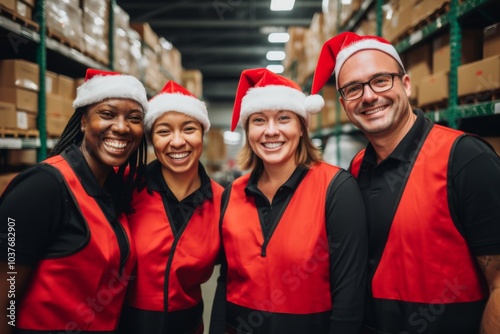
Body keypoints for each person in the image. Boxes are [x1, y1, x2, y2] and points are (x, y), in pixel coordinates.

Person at [311, 31, 500, 334]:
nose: (369, 96)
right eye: (353, 89)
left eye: (381, 80)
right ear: (345, 103)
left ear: (406, 84)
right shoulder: (357, 169)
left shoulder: (464, 159)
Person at [209, 68, 368, 334]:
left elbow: (349, 295)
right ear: (248, 131)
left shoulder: (337, 189)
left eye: (283, 118)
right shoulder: (232, 194)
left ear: (301, 127)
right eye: (259, 120)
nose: (271, 131)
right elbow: (225, 280)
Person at [0, 68, 149, 333]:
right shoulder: (44, 186)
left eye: (134, 118)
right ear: (82, 121)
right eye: (107, 114)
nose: (122, 127)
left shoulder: (113, 190)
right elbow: (5, 297)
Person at [118, 81, 224, 334]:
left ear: (202, 135)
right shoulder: (123, 186)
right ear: (151, 139)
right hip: (124, 325)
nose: (177, 142)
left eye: (189, 129)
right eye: (164, 131)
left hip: (189, 326)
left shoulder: (223, 201)